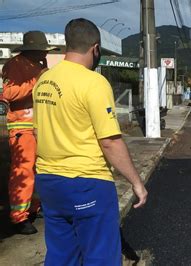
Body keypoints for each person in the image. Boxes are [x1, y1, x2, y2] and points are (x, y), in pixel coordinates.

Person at [33, 18, 147, 265]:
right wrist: (137, 183)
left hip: (48, 182)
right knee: (100, 256)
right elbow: (110, 142)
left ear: (68, 44)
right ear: (95, 48)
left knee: (61, 255)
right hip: (86, 182)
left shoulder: (44, 81)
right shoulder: (93, 82)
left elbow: (36, 132)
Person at [2, 31, 58, 234]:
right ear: (31, 50)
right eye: (41, 51)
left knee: (38, 170)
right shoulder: (15, 65)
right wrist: (37, 80)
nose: (44, 54)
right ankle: (19, 218)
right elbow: (7, 93)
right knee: (23, 171)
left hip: (38, 127)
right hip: (22, 128)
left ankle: (33, 209)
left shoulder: (38, 67)